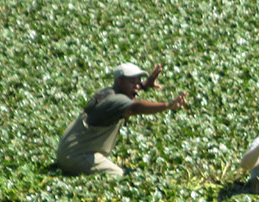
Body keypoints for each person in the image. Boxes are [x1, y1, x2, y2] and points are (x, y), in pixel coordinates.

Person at [56, 62, 188, 176]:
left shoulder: (108, 92)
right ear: (119, 81)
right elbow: (135, 108)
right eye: (132, 82)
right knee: (119, 175)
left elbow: (130, 93)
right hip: (76, 157)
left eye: (138, 82)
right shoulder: (116, 101)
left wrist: (144, 85)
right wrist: (167, 105)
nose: (137, 86)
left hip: (67, 151)